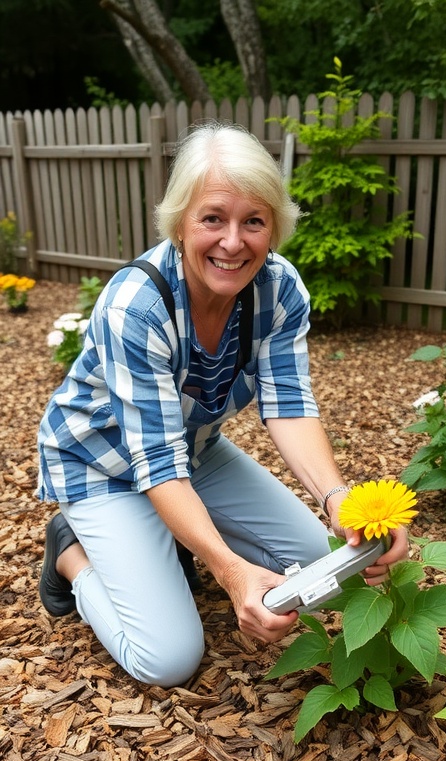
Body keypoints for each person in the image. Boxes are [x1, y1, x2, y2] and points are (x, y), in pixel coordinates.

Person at [36, 122, 408, 688]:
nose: (233, 242)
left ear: (273, 227)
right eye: (213, 218)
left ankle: (173, 541)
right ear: (181, 223)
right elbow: (156, 465)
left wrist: (342, 502)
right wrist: (231, 572)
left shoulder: (278, 289)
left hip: (196, 451)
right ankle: (72, 555)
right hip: (100, 467)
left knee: (320, 565)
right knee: (169, 659)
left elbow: (289, 403)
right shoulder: (136, 306)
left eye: (253, 221)